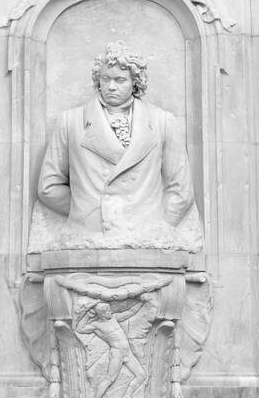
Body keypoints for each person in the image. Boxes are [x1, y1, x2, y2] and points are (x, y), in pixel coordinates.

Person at [31, 41, 202, 251]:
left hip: (147, 239)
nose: (111, 86)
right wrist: (89, 212)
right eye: (105, 78)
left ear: (135, 82)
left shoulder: (162, 122)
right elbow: (48, 187)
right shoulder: (70, 121)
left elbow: (181, 190)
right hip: (87, 238)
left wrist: (159, 227)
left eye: (120, 80)